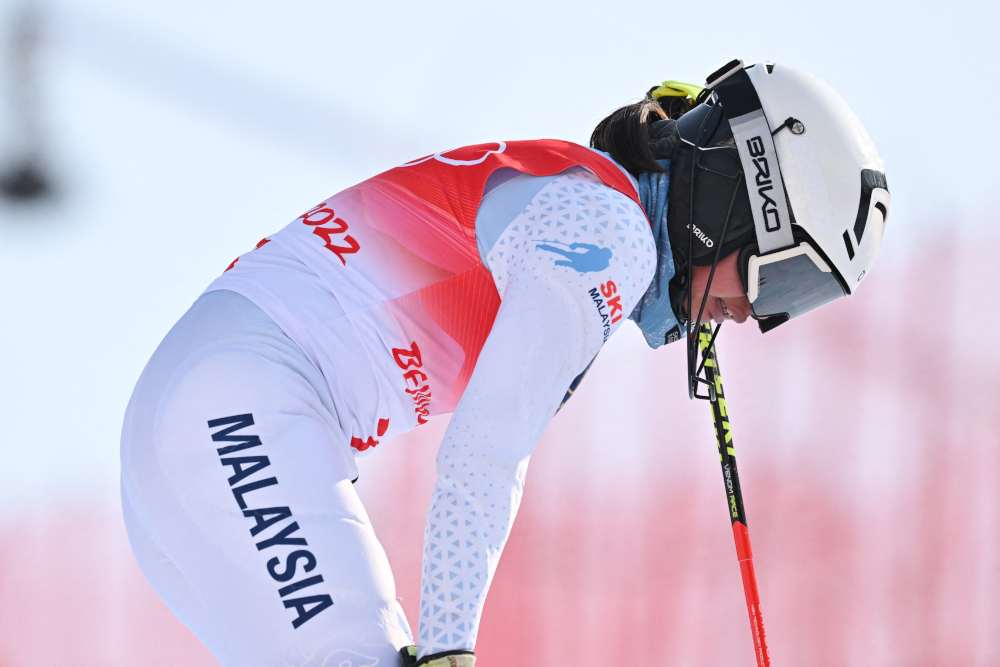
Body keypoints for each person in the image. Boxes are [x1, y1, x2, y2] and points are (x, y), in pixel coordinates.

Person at [120, 60, 889, 667]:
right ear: (737, 191)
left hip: (214, 416)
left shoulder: (590, 208)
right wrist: (452, 645)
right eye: (777, 274)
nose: (755, 313)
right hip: (239, 407)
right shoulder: (607, 232)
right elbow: (486, 451)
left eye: (796, 300)